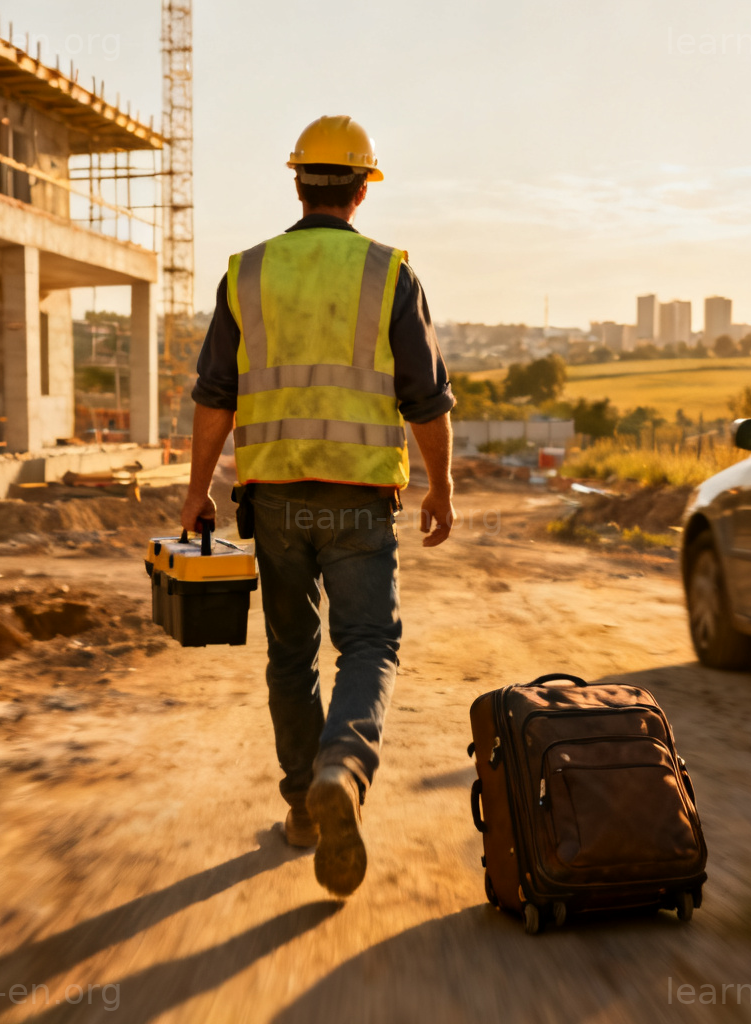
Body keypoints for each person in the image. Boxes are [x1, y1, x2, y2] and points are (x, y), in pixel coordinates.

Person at [181, 115, 456, 898]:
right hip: (361, 497)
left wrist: (198, 489)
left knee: (291, 654)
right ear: (364, 188)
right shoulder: (389, 273)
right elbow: (426, 399)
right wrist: (440, 485)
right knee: (369, 644)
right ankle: (343, 766)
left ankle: (304, 807)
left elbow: (215, 396)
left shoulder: (247, 273)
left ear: (297, 180)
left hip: (272, 500)